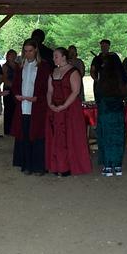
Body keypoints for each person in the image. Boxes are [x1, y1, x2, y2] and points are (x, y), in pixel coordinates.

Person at [46, 47, 92, 176]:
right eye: (54, 56)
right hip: (55, 109)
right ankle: (57, 165)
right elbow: (49, 91)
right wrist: (50, 104)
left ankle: (69, 166)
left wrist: (64, 106)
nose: (54, 59)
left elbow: (75, 92)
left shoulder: (73, 72)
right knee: (57, 137)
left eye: (56, 56)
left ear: (63, 57)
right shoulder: (53, 72)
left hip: (70, 109)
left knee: (69, 137)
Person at [11, 39, 51, 175]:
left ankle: (39, 166)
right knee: (25, 136)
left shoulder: (43, 66)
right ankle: (27, 165)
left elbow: (47, 87)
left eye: (30, 51)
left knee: (38, 136)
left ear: (36, 50)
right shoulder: (21, 66)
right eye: (26, 51)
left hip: (38, 108)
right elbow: (16, 84)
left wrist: (38, 98)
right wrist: (16, 94)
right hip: (23, 106)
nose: (28, 54)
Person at [95, 53, 127, 176]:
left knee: (106, 136)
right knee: (118, 137)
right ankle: (118, 166)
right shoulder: (122, 78)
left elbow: (98, 94)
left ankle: (108, 166)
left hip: (105, 110)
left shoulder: (104, 78)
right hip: (118, 110)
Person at [2, 49, 19, 136]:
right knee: (8, 109)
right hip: (8, 89)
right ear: (7, 56)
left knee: (15, 109)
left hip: (16, 89)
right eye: (11, 55)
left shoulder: (17, 65)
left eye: (14, 55)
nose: (13, 57)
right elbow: (4, 78)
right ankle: (7, 130)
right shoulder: (5, 66)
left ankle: (14, 128)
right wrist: (12, 86)